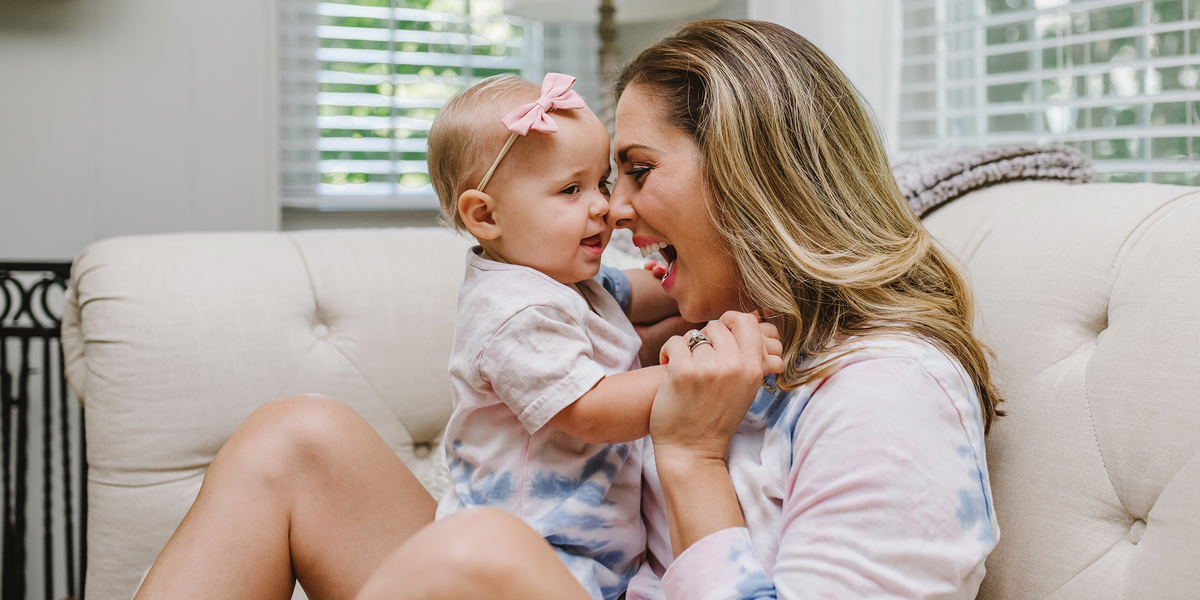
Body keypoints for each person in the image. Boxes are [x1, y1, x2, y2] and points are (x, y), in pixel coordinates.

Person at [135, 19, 1002, 600]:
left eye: (636, 171)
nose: (615, 213)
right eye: (598, 181)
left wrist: (694, 461)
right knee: (297, 441)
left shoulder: (890, 395)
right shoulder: (720, 327)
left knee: (483, 554)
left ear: (749, 178)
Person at [424, 71, 778, 600]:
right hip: (524, 557)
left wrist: (736, 292)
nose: (605, 209)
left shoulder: (567, 273)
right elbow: (591, 409)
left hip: (595, 554)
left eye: (602, 183)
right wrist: (705, 365)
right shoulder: (512, 310)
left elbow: (652, 295)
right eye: (571, 189)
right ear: (485, 215)